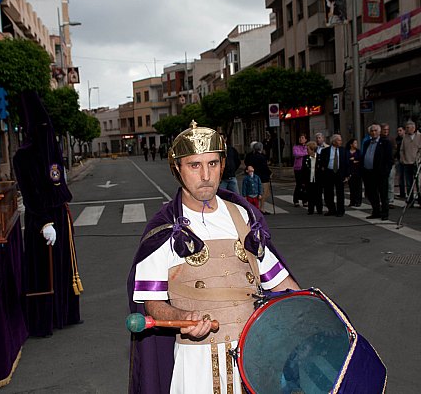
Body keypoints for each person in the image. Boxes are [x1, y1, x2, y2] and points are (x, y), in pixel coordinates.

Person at [127, 121, 299, 394]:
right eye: (194, 165)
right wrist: (183, 317)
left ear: (222, 165)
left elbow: (280, 282)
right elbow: (153, 303)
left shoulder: (243, 216)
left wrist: (312, 313)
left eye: (212, 164)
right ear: (178, 169)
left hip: (255, 353)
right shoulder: (164, 228)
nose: (205, 175)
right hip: (197, 364)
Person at [13, 91, 82, 338]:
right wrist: (44, 222)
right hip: (41, 219)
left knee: (63, 266)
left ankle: (66, 313)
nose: (46, 131)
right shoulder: (23, 157)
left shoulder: (52, 150)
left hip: (60, 216)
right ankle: (45, 320)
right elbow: (30, 194)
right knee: (43, 270)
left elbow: (58, 182)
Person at [362, 124, 394, 220]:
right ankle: (376, 211)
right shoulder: (367, 142)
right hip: (369, 172)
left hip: (380, 173)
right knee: (372, 193)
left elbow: (389, 159)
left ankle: (384, 213)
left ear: (379, 132)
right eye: (372, 131)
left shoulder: (385, 143)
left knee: (383, 194)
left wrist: (386, 171)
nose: (374, 132)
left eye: (375, 130)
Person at [400, 121, 421, 209]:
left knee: (419, 183)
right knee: (409, 183)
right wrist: (403, 159)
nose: (407, 129)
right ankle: (410, 200)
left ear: (414, 128)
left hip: (417, 162)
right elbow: (402, 150)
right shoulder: (405, 137)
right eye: (406, 128)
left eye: (408, 128)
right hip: (407, 162)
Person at [319, 134, 348, 217]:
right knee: (328, 192)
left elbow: (346, 163)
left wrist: (347, 175)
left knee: (340, 193)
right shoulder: (325, 151)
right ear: (334, 141)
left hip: (339, 173)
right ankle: (331, 209)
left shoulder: (343, 150)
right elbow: (322, 162)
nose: (341, 142)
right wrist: (323, 169)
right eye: (339, 140)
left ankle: (340, 210)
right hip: (329, 173)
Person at [244, 142, 272, 214]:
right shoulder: (262, 157)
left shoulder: (251, 156)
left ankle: (256, 207)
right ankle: (261, 208)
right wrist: (270, 173)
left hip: (253, 175)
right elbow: (265, 167)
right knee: (264, 192)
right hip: (263, 177)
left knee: (256, 192)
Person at [301, 141, 323, 215]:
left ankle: (319, 209)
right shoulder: (306, 158)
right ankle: (311, 209)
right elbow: (303, 170)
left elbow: (322, 169)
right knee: (310, 195)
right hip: (309, 179)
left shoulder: (320, 157)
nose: (307, 151)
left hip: (318, 179)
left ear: (312, 149)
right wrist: (303, 181)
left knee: (318, 195)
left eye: (308, 149)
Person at [381, 123, 396, 208]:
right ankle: (384, 199)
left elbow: (395, 149)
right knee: (383, 183)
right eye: (384, 130)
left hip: (390, 163)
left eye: (387, 130)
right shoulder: (379, 139)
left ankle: (390, 200)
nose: (386, 131)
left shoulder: (391, 139)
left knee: (390, 182)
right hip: (381, 164)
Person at [346, 138, 362, 207]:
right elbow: (346, 160)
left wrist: (355, 160)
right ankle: (352, 201)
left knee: (358, 187)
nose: (356, 144)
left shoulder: (358, 151)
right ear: (351, 145)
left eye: (356, 143)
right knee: (351, 187)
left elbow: (361, 160)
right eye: (355, 143)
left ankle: (358, 201)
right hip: (350, 171)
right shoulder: (347, 152)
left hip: (357, 171)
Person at [292, 134, 308, 208]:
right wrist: (305, 154)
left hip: (305, 168)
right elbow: (296, 154)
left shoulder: (307, 147)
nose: (301, 139)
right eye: (300, 138)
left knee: (305, 184)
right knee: (298, 184)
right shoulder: (296, 147)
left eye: (302, 138)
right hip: (298, 168)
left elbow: (310, 153)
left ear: (305, 139)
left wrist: (305, 153)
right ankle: (296, 200)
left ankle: (305, 200)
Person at [395, 126, 406, 199]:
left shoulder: (406, 139)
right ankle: (402, 192)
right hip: (399, 159)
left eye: (400, 130)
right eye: (398, 131)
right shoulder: (397, 139)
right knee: (400, 177)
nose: (399, 132)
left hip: (406, 159)